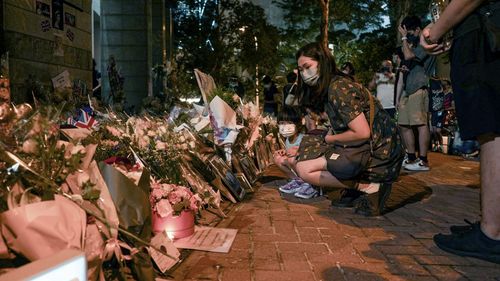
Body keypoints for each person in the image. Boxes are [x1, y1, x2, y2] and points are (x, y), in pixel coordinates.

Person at [420, 0, 500, 263]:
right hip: (482, 32)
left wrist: (438, 28)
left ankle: (492, 233)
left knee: (492, 130)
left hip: (486, 39)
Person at [294, 42, 405, 216]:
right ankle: (357, 186)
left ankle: (368, 186)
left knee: (304, 169)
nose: (304, 73)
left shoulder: (338, 88)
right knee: (310, 149)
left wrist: (330, 140)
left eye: (307, 66)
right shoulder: (335, 85)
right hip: (377, 145)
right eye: (300, 70)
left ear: (322, 62)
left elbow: (361, 132)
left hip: (381, 151)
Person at [397, 15, 437, 171]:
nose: (409, 35)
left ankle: (423, 161)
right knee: (404, 125)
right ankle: (412, 157)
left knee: (421, 124)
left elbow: (408, 56)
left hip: (419, 88)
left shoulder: (425, 41)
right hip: (408, 90)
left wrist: (403, 38)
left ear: (418, 29)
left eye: (410, 32)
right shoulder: (411, 43)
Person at [274, 108, 317, 199]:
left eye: (289, 122)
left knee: (290, 159)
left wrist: (298, 150)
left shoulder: (303, 138)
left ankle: (309, 183)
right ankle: (297, 181)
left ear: (298, 124)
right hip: (295, 165)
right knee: (277, 158)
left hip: (305, 166)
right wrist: (284, 151)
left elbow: (309, 153)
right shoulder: (288, 139)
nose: (285, 127)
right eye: (282, 123)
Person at [428, 77, 445, 152]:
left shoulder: (441, 86)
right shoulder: (430, 89)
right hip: (433, 112)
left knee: (438, 131)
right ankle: (435, 144)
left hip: (440, 112)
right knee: (433, 131)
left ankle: (441, 145)